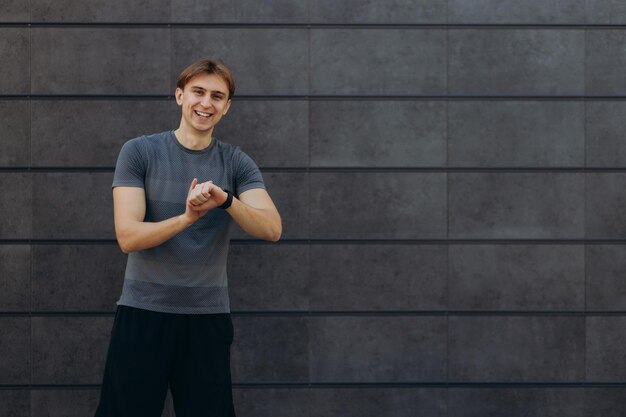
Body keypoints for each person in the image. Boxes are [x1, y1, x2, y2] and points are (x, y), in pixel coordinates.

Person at [94, 58, 282, 417]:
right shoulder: (139, 152)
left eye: (217, 96)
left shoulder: (236, 163)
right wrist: (187, 218)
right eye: (198, 92)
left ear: (227, 107)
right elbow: (128, 237)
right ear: (180, 96)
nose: (205, 103)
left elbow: (271, 228)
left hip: (206, 319)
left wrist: (226, 200)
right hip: (143, 313)